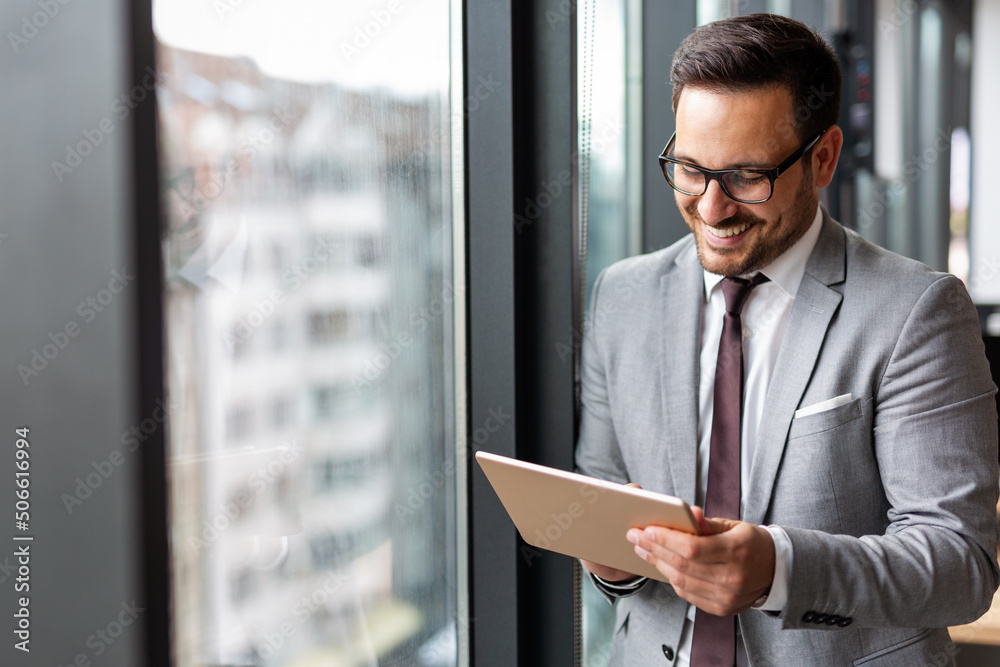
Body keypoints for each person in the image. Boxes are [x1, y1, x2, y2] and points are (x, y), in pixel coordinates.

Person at [575, 13, 999, 667]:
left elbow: (959, 562)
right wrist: (613, 561)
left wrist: (779, 568)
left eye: (746, 177)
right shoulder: (621, 297)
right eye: (690, 169)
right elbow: (602, 491)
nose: (712, 209)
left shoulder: (917, 310)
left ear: (823, 157)